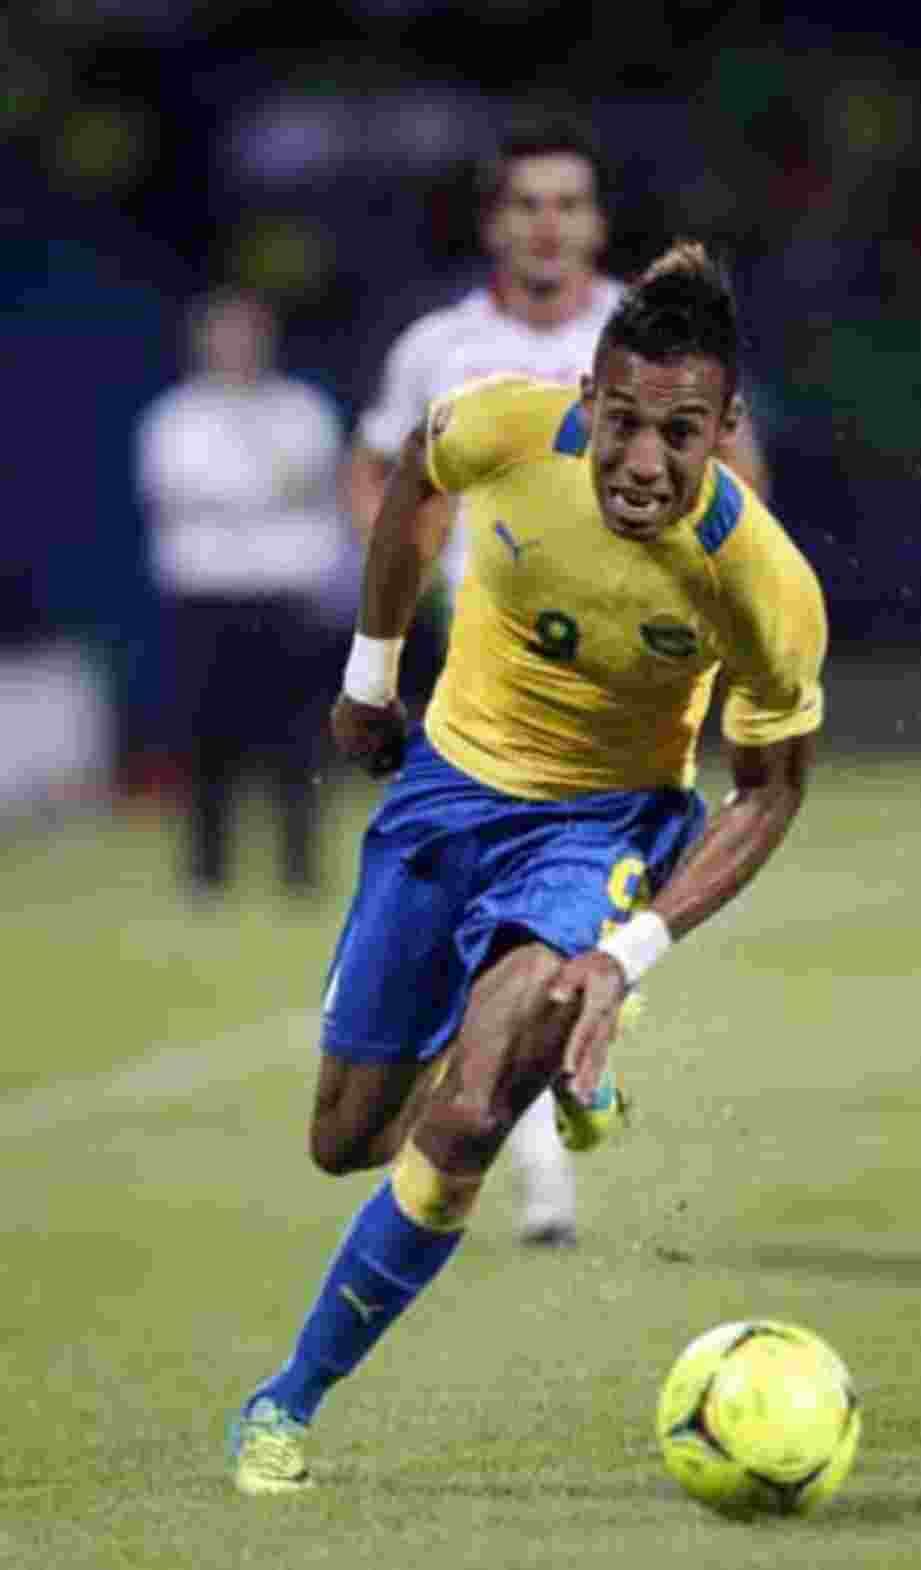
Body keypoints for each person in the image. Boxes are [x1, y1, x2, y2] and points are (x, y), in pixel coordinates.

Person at [229, 241, 827, 1494]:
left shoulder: (761, 581)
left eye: (680, 433)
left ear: (726, 428)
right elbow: (412, 476)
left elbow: (768, 790)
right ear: (585, 398)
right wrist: (368, 676)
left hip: (596, 832)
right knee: (345, 1139)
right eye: (622, 424)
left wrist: (630, 950)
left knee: (467, 1112)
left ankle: (286, 1401)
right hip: (445, 796)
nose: (643, 463)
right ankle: (540, 1044)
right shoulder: (500, 425)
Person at [349, 111, 769, 1246]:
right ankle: (559, 1079)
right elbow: (381, 477)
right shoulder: (439, 349)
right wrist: (395, 606)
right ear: (494, 223)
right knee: (491, 935)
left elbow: (738, 483)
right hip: (478, 659)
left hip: (632, 678)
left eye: (568, 204)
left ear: (596, 223)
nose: (548, 224)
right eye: (527, 204)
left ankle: (542, 1139)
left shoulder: (645, 336)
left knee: (533, 929)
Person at [136, 289, 354, 896]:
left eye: (246, 335)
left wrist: (250, 492)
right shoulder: (175, 418)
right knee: (207, 738)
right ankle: (207, 872)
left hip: (286, 594)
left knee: (298, 738)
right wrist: (262, 489)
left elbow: (320, 484)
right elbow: (176, 491)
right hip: (206, 594)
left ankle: (300, 870)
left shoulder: (301, 410)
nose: (235, 348)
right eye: (223, 336)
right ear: (203, 343)